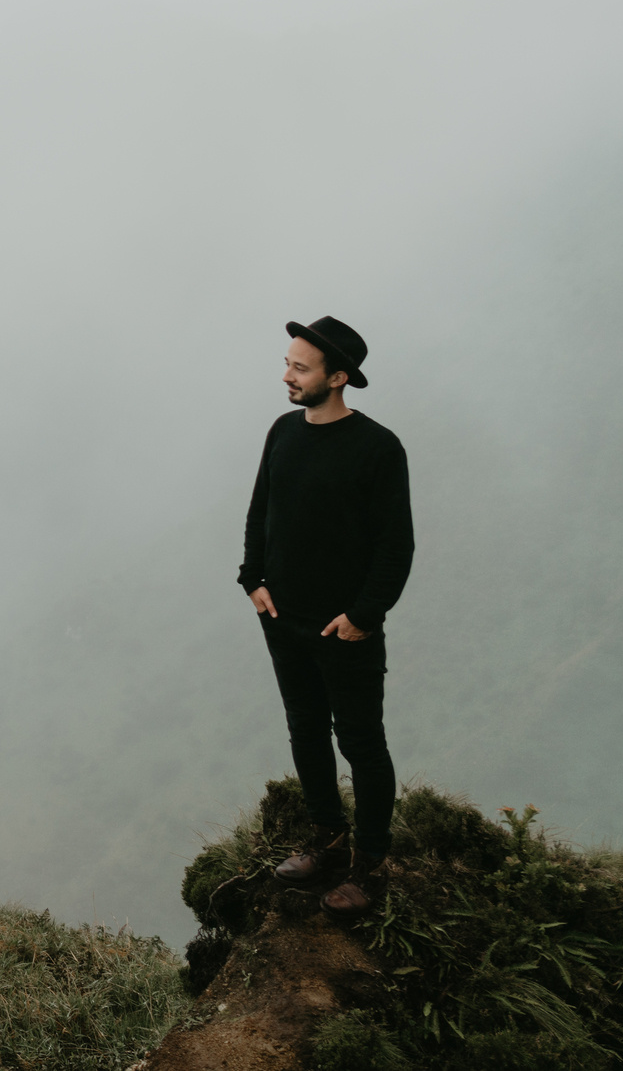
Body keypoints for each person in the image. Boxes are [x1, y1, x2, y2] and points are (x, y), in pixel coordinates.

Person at [238, 316, 414, 914]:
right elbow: (262, 509)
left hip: (345, 628)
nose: (286, 375)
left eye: (300, 367)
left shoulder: (378, 448)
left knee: (361, 742)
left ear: (338, 378)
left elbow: (396, 546)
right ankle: (328, 841)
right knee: (306, 729)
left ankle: (370, 867)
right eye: (288, 362)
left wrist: (363, 616)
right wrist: (252, 580)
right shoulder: (283, 431)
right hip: (283, 619)